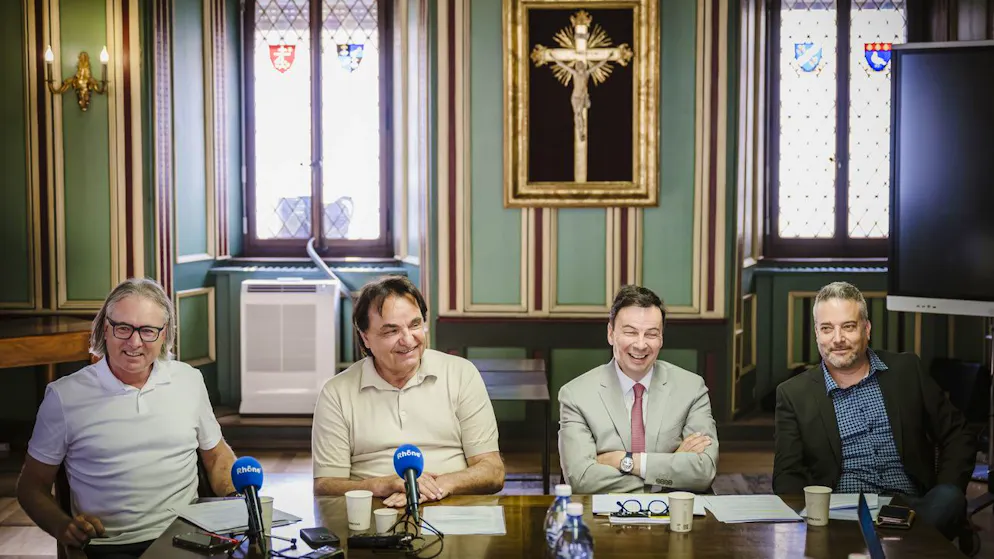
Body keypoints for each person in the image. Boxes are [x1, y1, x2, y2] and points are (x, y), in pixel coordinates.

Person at [16, 278, 237, 559]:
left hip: (188, 537)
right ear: (106, 329)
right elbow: (31, 486)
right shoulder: (63, 396)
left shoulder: (189, 380)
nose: (134, 342)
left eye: (147, 331)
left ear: (163, 334)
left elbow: (217, 457)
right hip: (109, 547)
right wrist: (63, 526)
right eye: (123, 328)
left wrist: (235, 499)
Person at [773, 281, 976, 546]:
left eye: (848, 326)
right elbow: (786, 476)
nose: (837, 339)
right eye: (826, 329)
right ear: (816, 334)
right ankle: (901, 548)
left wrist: (944, 488)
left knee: (949, 498)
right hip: (842, 512)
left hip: (913, 509)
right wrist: (813, 516)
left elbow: (957, 434)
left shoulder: (906, 370)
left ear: (866, 329)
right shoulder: (793, 394)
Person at [312, 275, 504, 507]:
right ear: (365, 338)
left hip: (454, 508)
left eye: (415, 325)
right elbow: (325, 485)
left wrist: (434, 487)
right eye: (391, 331)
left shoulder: (461, 374)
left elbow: (492, 471)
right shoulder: (337, 393)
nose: (408, 339)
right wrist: (378, 485)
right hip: (375, 510)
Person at [558, 285, 718, 494]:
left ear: (661, 338)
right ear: (610, 333)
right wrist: (668, 473)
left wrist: (627, 461)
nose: (641, 345)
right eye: (631, 332)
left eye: (651, 334)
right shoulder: (576, 395)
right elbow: (581, 479)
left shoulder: (691, 388)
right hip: (604, 518)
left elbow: (703, 471)